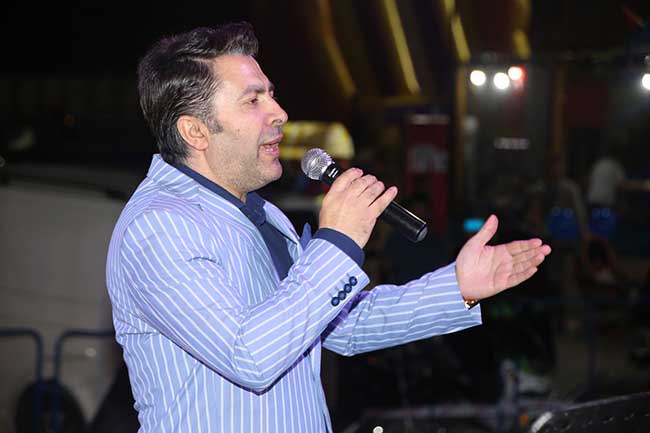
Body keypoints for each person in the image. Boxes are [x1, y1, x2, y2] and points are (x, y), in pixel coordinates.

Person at [105, 23, 551, 433]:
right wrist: (337, 241)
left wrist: (458, 287)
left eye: (272, 95)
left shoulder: (261, 214)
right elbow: (249, 355)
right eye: (253, 100)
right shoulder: (159, 226)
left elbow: (345, 326)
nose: (279, 113)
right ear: (195, 132)